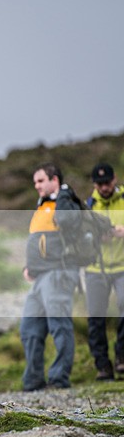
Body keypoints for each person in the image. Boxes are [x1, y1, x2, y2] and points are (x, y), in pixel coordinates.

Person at [20, 163, 83, 391]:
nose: (36, 186)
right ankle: (33, 381)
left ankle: (59, 379)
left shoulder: (66, 203)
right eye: (35, 182)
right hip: (40, 277)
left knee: (59, 325)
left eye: (40, 181)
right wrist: (30, 267)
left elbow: (67, 223)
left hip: (59, 272)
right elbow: (39, 242)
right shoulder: (43, 206)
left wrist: (64, 194)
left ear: (54, 179)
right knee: (29, 328)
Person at [84, 162, 124, 380]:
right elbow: (79, 237)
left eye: (107, 182)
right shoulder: (88, 206)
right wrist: (97, 237)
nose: (104, 187)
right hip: (95, 269)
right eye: (99, 184)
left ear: (114, 179)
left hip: (122, 267)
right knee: (95, 318)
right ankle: (102, 366)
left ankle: (122, 357)